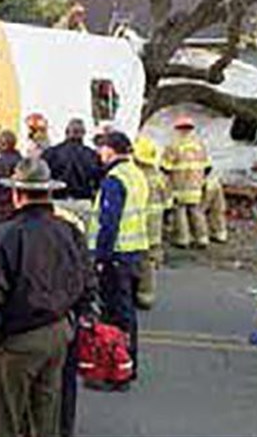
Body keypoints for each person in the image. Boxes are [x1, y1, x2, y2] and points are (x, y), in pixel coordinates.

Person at [0, 157, 95, 437]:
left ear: (17, 194)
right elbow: (86, 281)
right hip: (59, 333)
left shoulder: (5, 235)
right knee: (47, 415)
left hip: (18, 337)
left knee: (6, 421)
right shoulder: (69, 230)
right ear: (49, 192)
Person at [89, 132, 148, 387]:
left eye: (102, 148)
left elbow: (108, 223)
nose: (100, 153)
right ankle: (126, 364)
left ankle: (117, 368)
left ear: (111, 150)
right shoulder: (136, 174)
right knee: (127, 313)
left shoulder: (115, 179)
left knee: (113, 315)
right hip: (134, 252)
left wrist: (100, 257)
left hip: (116, 255)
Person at [132, 135, 170, 309]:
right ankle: (146, 294)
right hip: (154, 228)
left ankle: (137, 293)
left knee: (135, 261)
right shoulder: (160, 177)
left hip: (135, 227)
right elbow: (168, 202)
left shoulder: (133, 176)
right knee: (148, 263)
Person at [161, 116, 211, 249]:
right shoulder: (199, 145)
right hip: (196, 185)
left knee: (180, 211)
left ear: (177, 129)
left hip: (179, 185)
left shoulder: (173, 145)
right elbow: (207, 167)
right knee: (196, 211)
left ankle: (182, 239)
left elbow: (165, 167)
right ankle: (202, 238)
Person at [42, 118, 102, 226]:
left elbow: (44, 178)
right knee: (82, 239)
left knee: (58, 238)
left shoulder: (51, 153)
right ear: (83, 133)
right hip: (83, 202)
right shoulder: (92, 155)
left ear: (66, 132)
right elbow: (98, 180)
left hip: (58, 201)